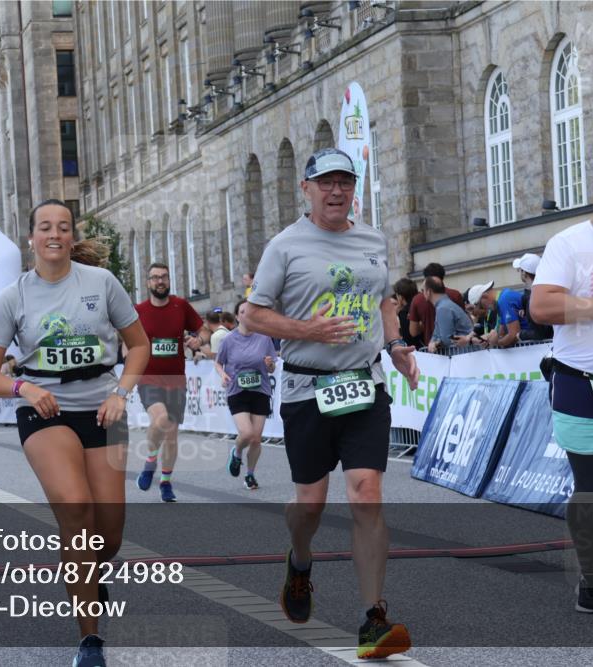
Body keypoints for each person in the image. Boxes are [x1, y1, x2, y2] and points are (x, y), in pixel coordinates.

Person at [241, 148, 419, 659]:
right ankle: (300, 563)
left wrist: (395, 344)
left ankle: (373, 619)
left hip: (364, 384)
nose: (336, 191)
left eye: (344, 181)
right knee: (310, 506)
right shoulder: (285, 246)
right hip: (307, 389)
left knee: (366, 493)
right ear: (306, 189)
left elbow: (382, 298)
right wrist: (308, 329)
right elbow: (253, 317)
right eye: (326, 183)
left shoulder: (372, 238)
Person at [0, 199, 150, 667]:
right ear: (30, 237)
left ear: (72, 236)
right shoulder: (15, 296)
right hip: (46, 411)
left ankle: (89, 573)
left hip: (102, 411)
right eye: (45, 227)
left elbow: (138, 346)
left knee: (107, 535)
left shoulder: (101, 283)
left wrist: (121, 394)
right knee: (77, 511)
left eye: (64, 227)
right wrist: (24, 387)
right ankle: (89, 641)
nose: (55, 234)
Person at [529, 168, 593, 615]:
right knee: (589, 486)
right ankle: (591, 577)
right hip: (581, 386)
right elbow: (542, 307)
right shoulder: (568, 244)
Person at [134, 262, 205, 502]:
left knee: (172, 436)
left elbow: (202, 330)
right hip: (148, 376)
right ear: (148, 283)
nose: (160, 281)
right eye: (155, 277)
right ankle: (150, 460)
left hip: (176, 379)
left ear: (169, 280)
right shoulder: (138, 310)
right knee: (160, 419)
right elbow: (127, 338)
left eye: (163, 277)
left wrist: (198, 341)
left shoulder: (180, 306)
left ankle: (165, 482)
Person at [215, 300, 277, 490]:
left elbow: (272, 367)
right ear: (237, 316)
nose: (246, 315)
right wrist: (223, 374)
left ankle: (250, 474)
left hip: (260, 391)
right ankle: (237, 452)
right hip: (237, 391)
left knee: (257, 439)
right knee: (247, 434)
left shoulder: (264, 338)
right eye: (242, 312)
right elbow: (218, 363)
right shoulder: (229, 340)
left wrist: (269, 365)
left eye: (249, 312)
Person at [407, 262, 465, 343]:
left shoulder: (417, 299)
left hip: (433, 348)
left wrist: (426, 323)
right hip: (457, 347)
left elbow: (413, 331)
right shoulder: (455, 295)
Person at [423, 277, 474, 352]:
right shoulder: (444, 306)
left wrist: (434, 343)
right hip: (465, 353)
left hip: (463, 354)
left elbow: (446, 340)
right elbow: (437, 334)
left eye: (423, 290)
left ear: (428, 292)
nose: (422, 293)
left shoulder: (443, 308)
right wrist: (433, 342)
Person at [513, 253, 554, 342]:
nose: (520, 273)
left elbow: (540, 334)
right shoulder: (546, 290)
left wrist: (521, 335)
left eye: (521, 270)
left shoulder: (533, 298)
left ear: (524, 273)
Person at [392, 278, 423, 348]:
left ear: (400, 297)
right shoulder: (420, 305)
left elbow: (407, 338)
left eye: (397, 295)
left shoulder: (404, 312)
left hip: (416, 350)